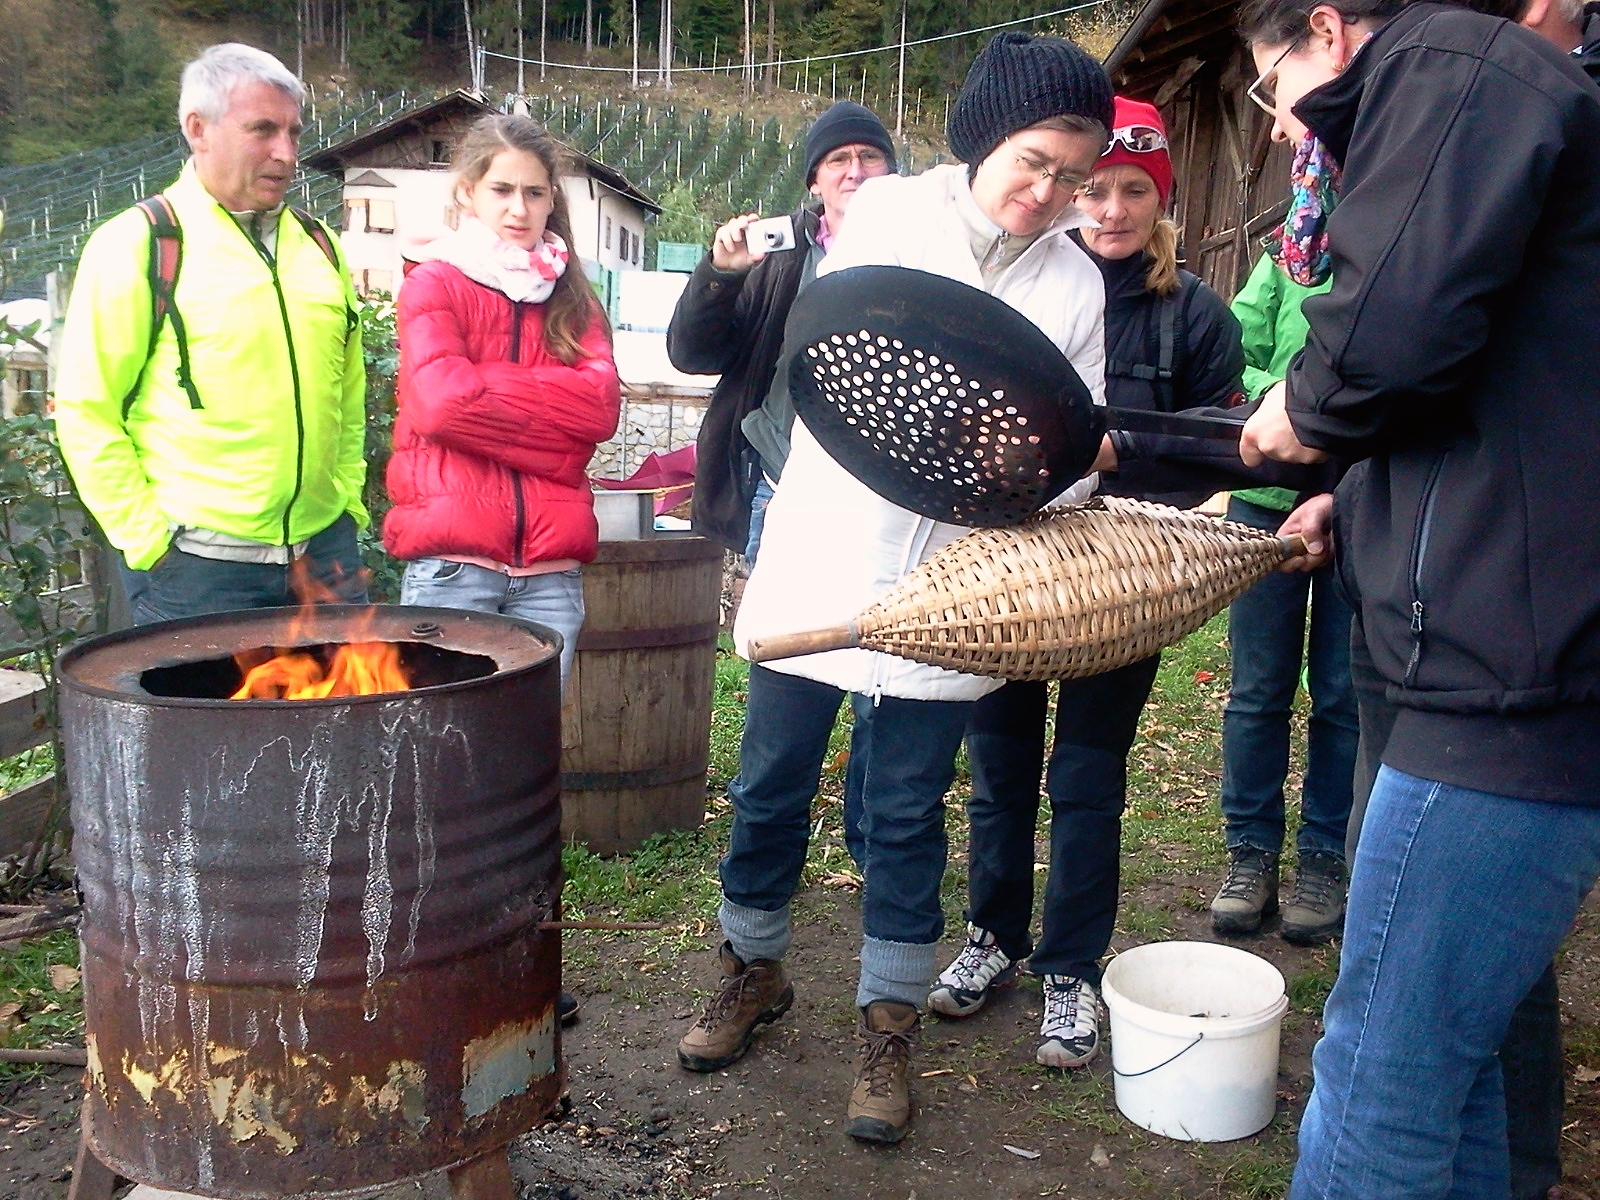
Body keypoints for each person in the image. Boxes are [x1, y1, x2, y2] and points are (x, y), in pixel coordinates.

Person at [677, 32, 1114, 1145]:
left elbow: (1060, 461)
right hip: (826, 550)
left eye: (1072, 173)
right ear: (981, 139)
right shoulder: (889, 217)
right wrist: (991, 434)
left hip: (946, 592)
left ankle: (888, 1024)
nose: (1048, 193)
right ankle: (750, 968)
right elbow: (856, 379)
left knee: (908, 812)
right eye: (1032, 162)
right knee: (770, 785)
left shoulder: (1073, 279)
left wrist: (1065, 466)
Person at [1234, 0, 1600, 1194]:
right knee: (1459, 1066)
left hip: (1501, 690)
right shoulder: (1501, 105)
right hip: (1526, 668)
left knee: (1379, 1074)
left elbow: (1381, 346)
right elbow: (1506, 394)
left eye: (1268, 81)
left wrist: (1300, 410)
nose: (1281, 119)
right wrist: (1364, 497)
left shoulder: (1450, 68)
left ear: (1328, 32)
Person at [928, 96, 1248, 1070]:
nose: (1110, 210)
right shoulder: (1023, 291)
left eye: (1132, 192)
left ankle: (1069, 968)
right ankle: (991, 936)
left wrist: (1114, 455)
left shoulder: (1193, 311)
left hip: (1129, 577)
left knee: (1087, 776)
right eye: (1096, 188)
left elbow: (1219, 448)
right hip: (1018, 572)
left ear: (1161, 203)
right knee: (1000, 768)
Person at [54, 43, 367, 625]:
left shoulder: (321, 246)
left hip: (324, 556)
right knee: (209, 720)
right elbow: (86, 410)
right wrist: (149, 541)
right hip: (199, 570)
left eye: (294, 132)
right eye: (263, 130)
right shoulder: (141, 244)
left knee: (344, 719)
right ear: (198, 129)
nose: (286, 152)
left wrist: (346, 498)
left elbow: (347, 390)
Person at [383, 113, 620, 695]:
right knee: (436, 754)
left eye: (535, 193)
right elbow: (440, 404)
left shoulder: (573, 298)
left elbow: (600, 411)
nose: (519, 209)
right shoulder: (434, 282)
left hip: (551, 577)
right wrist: (558, 452)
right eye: (502, 190)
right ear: (469, 192)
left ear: (551, 201)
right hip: (452, 568)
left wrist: (485, 381)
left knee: (526, 759)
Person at [667, 101, 896, 562]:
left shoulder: (923, 250)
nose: (856, 171)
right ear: (815, 180)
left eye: (869, 156)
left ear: (892, 172)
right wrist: (721, 274)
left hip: (882, 498)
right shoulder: (778, 255)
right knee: (774, 633)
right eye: (838, 159)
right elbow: (693, 355)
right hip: (779, 480)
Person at [1208, 246, 1356, 944]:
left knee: (1342, 690)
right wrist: (1311, 400)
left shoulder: (1387, 247)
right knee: (1258, 685)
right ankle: (1250, 852)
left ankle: (1325, 855)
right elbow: (1239, 358)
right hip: (1264, 500)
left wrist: (1313, 409)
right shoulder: (1285, 261)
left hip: (1360, 500)